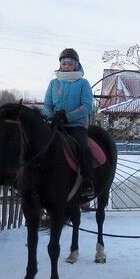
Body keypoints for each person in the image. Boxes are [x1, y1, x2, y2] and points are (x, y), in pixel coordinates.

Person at [42, 48, 95, 199]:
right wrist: (51, 116)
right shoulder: (54, 83)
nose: (67, 66)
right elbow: (46, 105)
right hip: (55, 124)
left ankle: (87, 181)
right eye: (64, 63)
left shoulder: (83, 83)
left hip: (75, 126)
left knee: (83, 147)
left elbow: (87, 106)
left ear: (77, 65)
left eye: (70, 63)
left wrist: (68, 117)